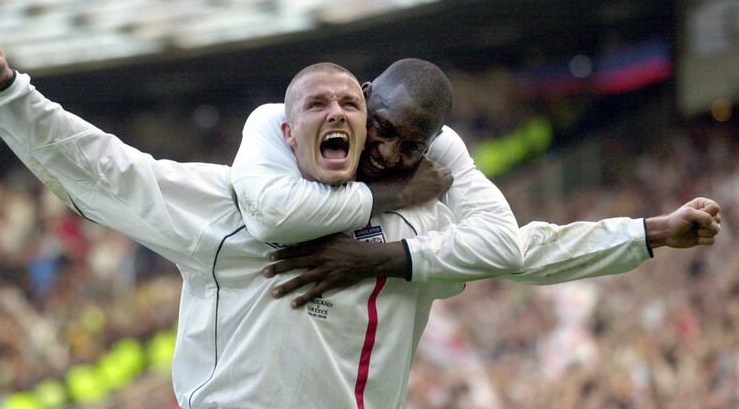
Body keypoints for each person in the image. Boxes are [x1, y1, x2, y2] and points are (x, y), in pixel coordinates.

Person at [0, 37, 720, 409]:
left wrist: (647, 232)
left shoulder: (423, 221)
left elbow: (527, 250)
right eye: (317, 105)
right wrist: (9, 93)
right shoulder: (235, 206)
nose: (343, 119)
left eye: (352, 106)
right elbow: (111, 172)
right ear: (287, 133)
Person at [231, 58, 722, 306]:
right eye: (379, 129)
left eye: (409, 146)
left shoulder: (434, 171)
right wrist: (392, 195)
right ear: (363, 99)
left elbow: (514, 249)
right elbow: (273, 212)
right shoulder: (280, 135)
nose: (386, 153)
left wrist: (650, 233)